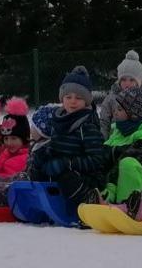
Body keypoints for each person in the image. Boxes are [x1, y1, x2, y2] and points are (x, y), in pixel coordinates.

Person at [30, 66, 112, 203]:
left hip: (87, 177)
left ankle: (90, 200)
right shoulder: (58, 121)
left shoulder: (87, 125)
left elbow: (97, 160)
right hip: (62, 169)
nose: (73, 101)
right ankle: (38, 201)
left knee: (67, 178)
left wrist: (67, 163)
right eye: (68, 97)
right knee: (38, 168)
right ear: (62, 99)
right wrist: (43, 155)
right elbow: (56, 147)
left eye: (78, 98)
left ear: (86, 101)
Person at [102, 83, 142, 204]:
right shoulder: (118, 131)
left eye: (120, 109)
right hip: (113, 183)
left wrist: (111, 152)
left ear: (133, 114)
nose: (115, 112)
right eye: (116, 108)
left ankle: (126, 206)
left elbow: (128, 157)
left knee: (128, 164)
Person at [98, 50, 142, 137]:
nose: (127, 83)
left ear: (139, 82)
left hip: (138, 139)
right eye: (123, 79)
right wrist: (103, 141)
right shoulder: (111, 98)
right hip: (115, 139)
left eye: (131, 80)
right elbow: (104, 122)